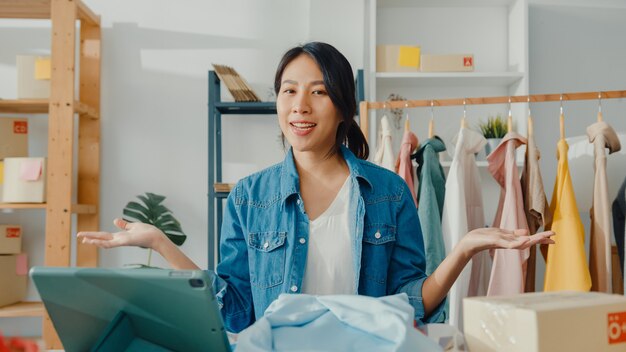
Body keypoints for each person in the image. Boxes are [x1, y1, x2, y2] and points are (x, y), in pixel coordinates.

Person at [78, 42, 554, 333]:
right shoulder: (250, 196)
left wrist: (464, 249)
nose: (299, 105)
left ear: (343, 106)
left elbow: (409, 305)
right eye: (288, 90)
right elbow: (233, 308)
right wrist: (161, 244)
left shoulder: (388, 192)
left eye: (318, 91)